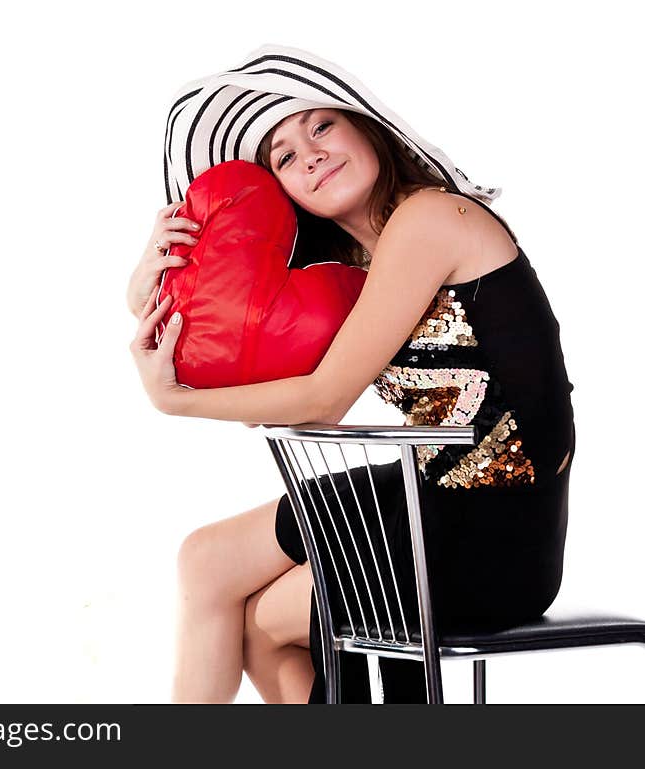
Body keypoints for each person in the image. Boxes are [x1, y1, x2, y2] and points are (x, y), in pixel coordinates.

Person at [127, 45, 575, 704]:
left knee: (265, 619)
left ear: (367, 128)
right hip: (431, 501)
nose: (307, 152)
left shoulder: (430, 219)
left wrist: (173, 402)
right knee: (207, 560)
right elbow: (227, 341)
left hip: (495, 533)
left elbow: (324, 399)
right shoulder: (347, 281)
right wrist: (145, 286)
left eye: (321, 125)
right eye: (282, 155)